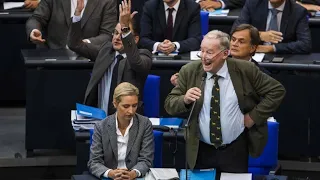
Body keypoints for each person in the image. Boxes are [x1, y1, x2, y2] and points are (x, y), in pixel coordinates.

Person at [165, 30, 285, 176]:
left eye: (209, 52)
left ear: (225, 54)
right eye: (201, 51)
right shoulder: (189, 71)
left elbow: (277, 91)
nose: (204, 57)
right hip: (200, 149)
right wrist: (184, 99)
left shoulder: (245, 70)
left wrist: (253, 117)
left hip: (235, 149)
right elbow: (170, 104)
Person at [67, 0, 152, 115]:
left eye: (121, 34)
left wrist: (125, 28)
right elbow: (75, 44)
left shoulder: (143, 56)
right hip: (99, 119)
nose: (117, 37)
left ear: (135, 39)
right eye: (115, 33)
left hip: (127, 121)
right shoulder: (105, 51)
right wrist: (77, 15)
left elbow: (136, 62)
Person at [88, 82, 154, 179]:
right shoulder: (101, 126)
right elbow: (94, 162)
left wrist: (133, 173)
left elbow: (146, 159)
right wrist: (110, 173)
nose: (131, 111)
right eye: (126, 106)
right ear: (115, 103)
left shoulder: (144, 124)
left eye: (134, 106)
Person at [170, 24, 269, 86]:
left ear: (252, 48)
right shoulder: (216, 63)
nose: (234, 44)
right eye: (233, 39)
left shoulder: (261, 75)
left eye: (241, 41)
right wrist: (183, 81)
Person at [26, 0, 117, 49]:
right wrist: (34, 30)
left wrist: (83, 44)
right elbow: (36, 18)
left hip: (90, 64)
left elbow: (107, 35)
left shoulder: (107, 2)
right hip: (53, 60)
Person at [232, 0, 312, 54]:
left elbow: (305, 44)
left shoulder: (298, 11)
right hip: (255, 55)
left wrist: (272, 48)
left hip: (283, 58)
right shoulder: (253, 4)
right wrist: (258, 35)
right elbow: (235, 31)